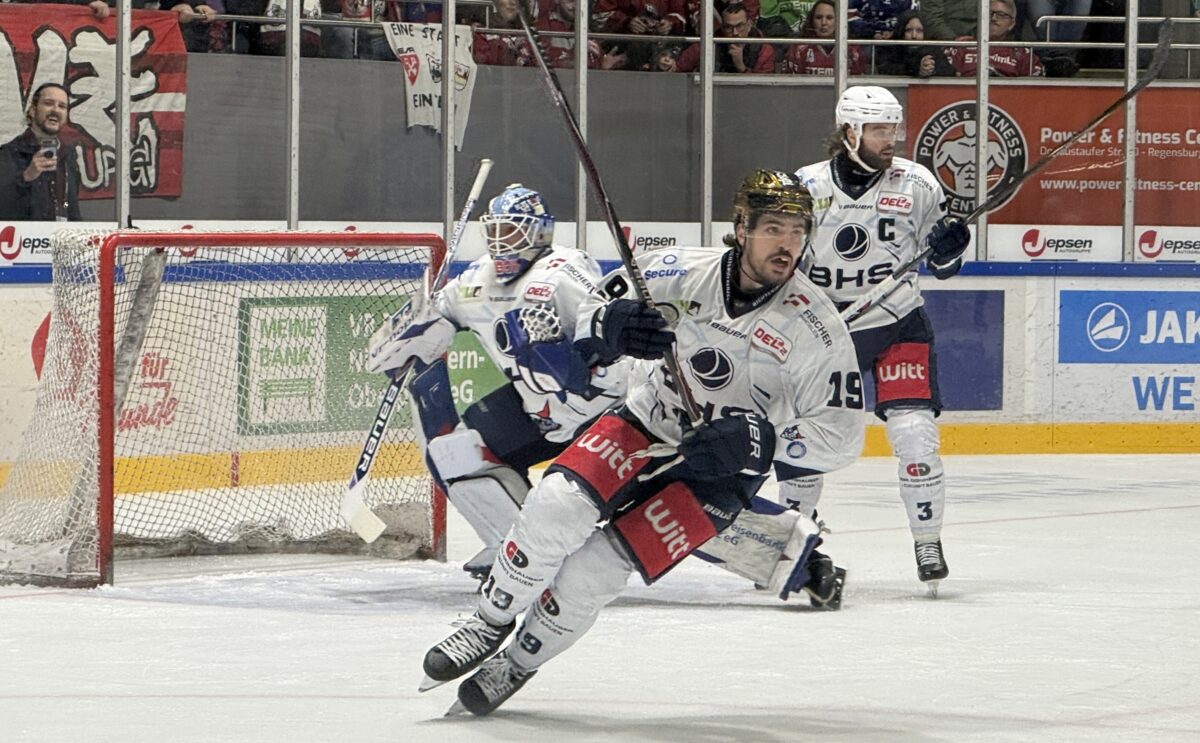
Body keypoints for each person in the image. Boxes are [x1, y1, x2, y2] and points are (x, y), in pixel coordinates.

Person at [419, 170, 866, 716]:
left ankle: (518, 662)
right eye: (774, 227)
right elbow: (590, 314)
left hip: (722, 472)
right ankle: (488, 621)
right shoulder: (675, 270)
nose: (788, 243)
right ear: (742, 227)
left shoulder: (816, 326)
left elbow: (842, 435)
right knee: (554, 506)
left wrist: (763, 442)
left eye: (798, 230)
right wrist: (611, 329)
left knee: (596, 570)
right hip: (646, 420)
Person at [365, 185, 629, 579]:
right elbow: (437, 312)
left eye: (513, 233)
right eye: (496, 233)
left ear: (540, 233)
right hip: (538, 414)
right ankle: (518, 551)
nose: (502, 244)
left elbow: (613, 347)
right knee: (453, 452)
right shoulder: (477, 279)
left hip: (602, 415)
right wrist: (408, 336)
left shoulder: (564, 273)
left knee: (651, 494)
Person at [793, 85, 971, 595]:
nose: (891, 138)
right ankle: (792, 540)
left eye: (894, 128)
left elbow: (942, 266)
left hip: (897, 322)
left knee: (915, 435)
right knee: (803, 444)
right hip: (824, 333)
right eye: (879, 129)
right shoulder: (806, 186)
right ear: (850, 132)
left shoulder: (917, 184)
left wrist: (951, 248)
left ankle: (927, 541)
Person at [0, 83, 82, 222]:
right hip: (23, 241)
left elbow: (72, 209)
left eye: (62, 106)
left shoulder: (68, 157)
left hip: (61, 239)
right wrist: (26, 177)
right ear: (32, 110)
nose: (55, 110)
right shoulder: (9, 154)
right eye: (48, 103)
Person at [943, 0, 1045, 76]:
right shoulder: (962, 46)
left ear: (1012, 24)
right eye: (989, 13)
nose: (993, 18)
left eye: (1001, 15)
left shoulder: (1022, 53)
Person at [677, 2, 778, 74]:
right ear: (722, 27)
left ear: (749, 25)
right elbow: (677, 70)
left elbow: (763, 90)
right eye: (728, 27)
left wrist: (742, 68)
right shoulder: (706, 46)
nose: (735, 33)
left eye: (740, 26)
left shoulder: (764, 49)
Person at [783, 0, 867, 75]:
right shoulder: (798, 49)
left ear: (839, 20)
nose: (823, 23)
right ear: (812, 20)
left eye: (829, 18)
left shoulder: (853, 51)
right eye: (818, 17)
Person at [874, 10, 957, 77]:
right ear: (901, 31)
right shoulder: (889, 48)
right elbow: (885, 69)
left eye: (919, 31)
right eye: (909, 30)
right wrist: (916, 68)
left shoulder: (933, 49)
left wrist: (931, 68)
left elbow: (949, 71)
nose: (914, 36)